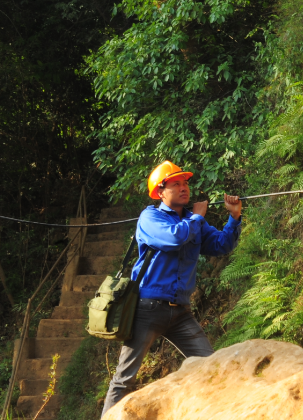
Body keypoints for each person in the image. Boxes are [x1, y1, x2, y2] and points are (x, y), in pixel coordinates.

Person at [102, 161, 243, 415]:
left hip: (180, 312)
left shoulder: (192, 220)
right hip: (147, 308)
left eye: (185, 183)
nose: (183, 188)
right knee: (124, 380)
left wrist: (234, 217)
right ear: (160, 192)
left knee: (210, 366)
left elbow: (221, 245)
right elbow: (173, 238)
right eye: (175, 184)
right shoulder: (150, 217)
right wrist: (199, 217)